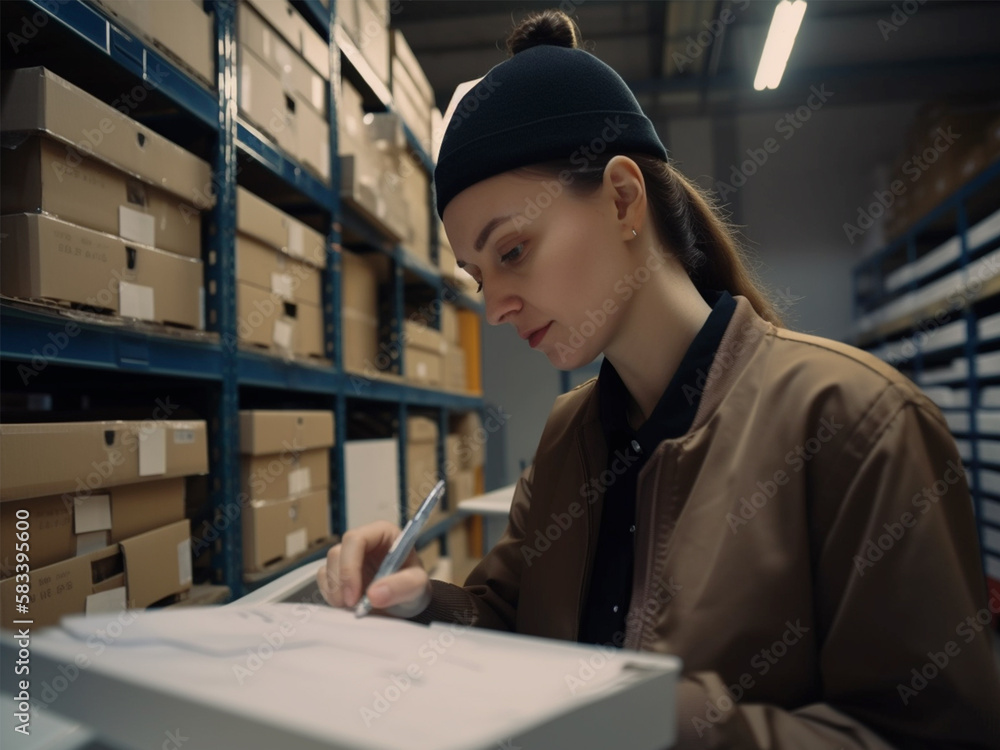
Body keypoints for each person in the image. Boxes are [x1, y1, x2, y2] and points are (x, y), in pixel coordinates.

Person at [319, 9, 1000, 747]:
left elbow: (931, 733)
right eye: (475, 275)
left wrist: (655, 717)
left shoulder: (857, 423)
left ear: (622, 199)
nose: (494, 307)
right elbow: (515, 620)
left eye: (511, 251)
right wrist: (423, 603)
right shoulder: (568, 439)